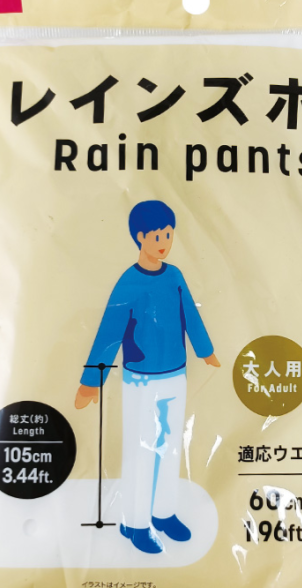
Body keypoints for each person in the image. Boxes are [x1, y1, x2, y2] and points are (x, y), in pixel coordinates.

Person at [75, 201, 219, 553]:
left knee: (168, 447)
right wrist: (91, 381)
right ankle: (136, 523)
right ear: (140, 237)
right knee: (141, 450)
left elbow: (189, 315)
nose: (164, 242)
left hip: (176, 375)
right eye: (157, 236)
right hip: (141, 380)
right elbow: (110, 331)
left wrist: (205, 350)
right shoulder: (129, 282)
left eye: (169, 235)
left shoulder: (174, 276)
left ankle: (163, 513)